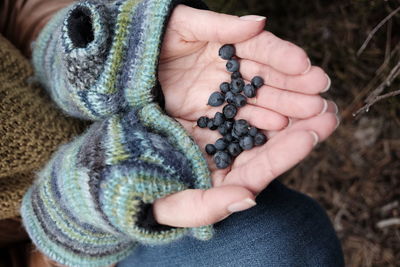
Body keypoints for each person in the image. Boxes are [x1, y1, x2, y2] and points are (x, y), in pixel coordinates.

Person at [0, 0, 343, 266]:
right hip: (64, 241)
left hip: (86, 84)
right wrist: (78, 213)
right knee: (277, 247)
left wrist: (77, 54)